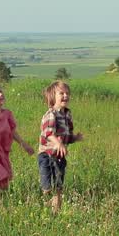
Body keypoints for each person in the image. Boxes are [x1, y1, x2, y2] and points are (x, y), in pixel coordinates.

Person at [38, 80, 83, 214]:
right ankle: (45, 207)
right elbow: (48, 133)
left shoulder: (67, 115)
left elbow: (67, 136)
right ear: (52, 97)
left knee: (58, 186)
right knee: (47, 187)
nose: (65, 96)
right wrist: (58, 143)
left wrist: (74, 138)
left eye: (67, 93)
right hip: (46, 155)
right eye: (61, 93)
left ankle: (55, 212)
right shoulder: (51, 114)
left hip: (59, 156)